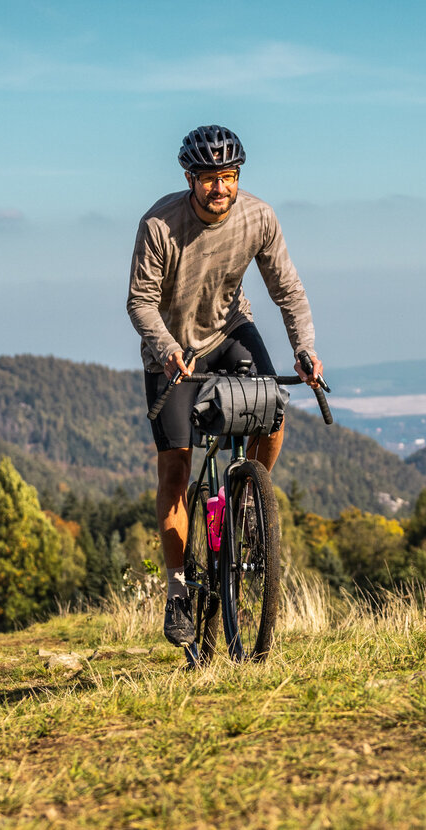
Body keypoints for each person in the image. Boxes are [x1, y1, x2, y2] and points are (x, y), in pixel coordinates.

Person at [126, 125, 325, 647]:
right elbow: (140, 302)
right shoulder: (159, 224)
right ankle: (176, 592)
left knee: (272, 409)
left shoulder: (258, 216)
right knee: (175, 470)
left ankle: (247, 497)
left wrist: (303, 349)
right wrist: (167, 349)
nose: (221, 189)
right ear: (190, 178)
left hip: (230, 330)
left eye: (229, 177)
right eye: (210, 178)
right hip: (171, 352)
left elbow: (288, 290)